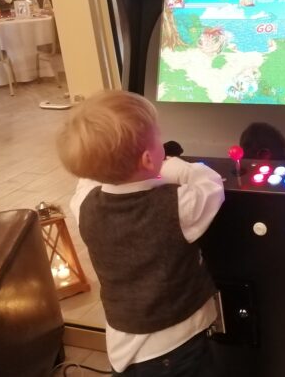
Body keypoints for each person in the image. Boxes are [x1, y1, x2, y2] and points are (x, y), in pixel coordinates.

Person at [56, 90, 226, 376]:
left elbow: (87, 179)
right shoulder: (178, 207)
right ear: (148, 159)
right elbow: (211, 186)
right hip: (178, 350)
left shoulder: (85, 204)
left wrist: (148, 169)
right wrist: (178, 168)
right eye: (159, 138)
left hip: (124, 350)